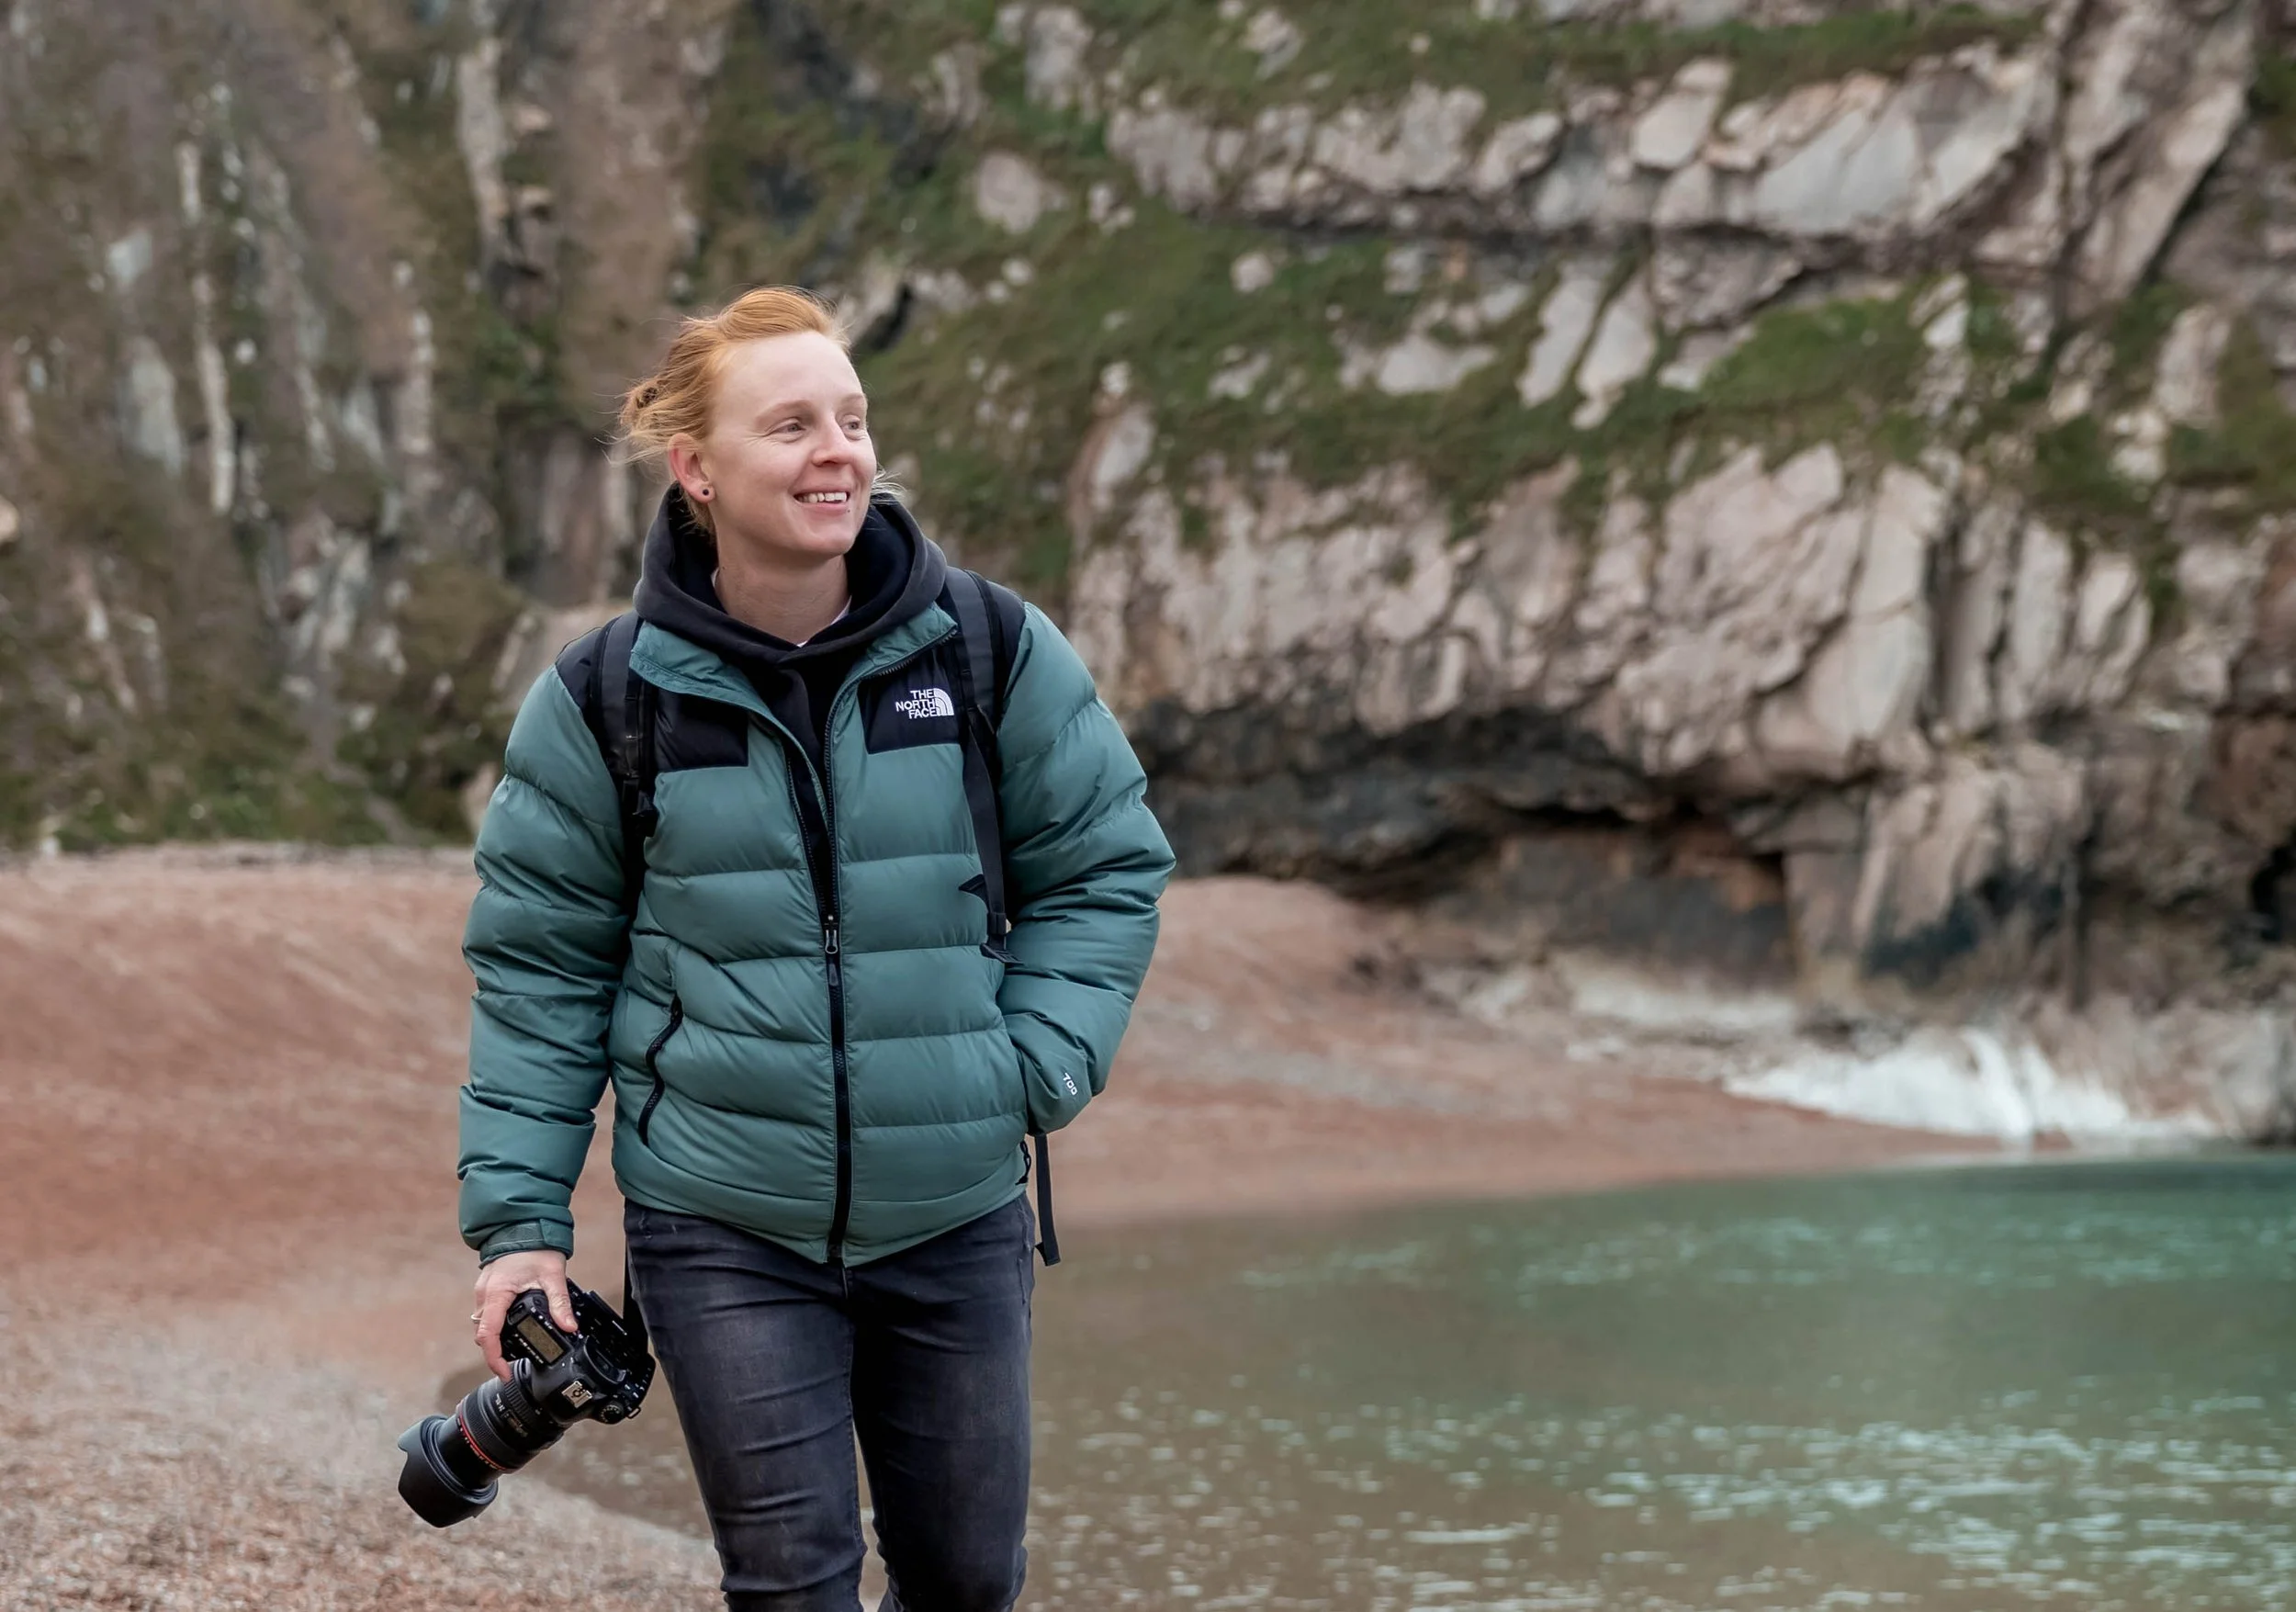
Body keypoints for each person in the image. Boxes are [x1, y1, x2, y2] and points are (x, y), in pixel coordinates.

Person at [455, 285, 1174, 1610]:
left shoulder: (988, 648)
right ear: (697, 468)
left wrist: (1033, 1066)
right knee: (791, 1582)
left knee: (966, 1582)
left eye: (851, 418)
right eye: (790, 425)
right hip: (721, 1224)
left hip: (955, 1212)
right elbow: (541, 972)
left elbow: (1106, 863)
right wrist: (520, 1233)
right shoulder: (606, 698)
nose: (836, 450)